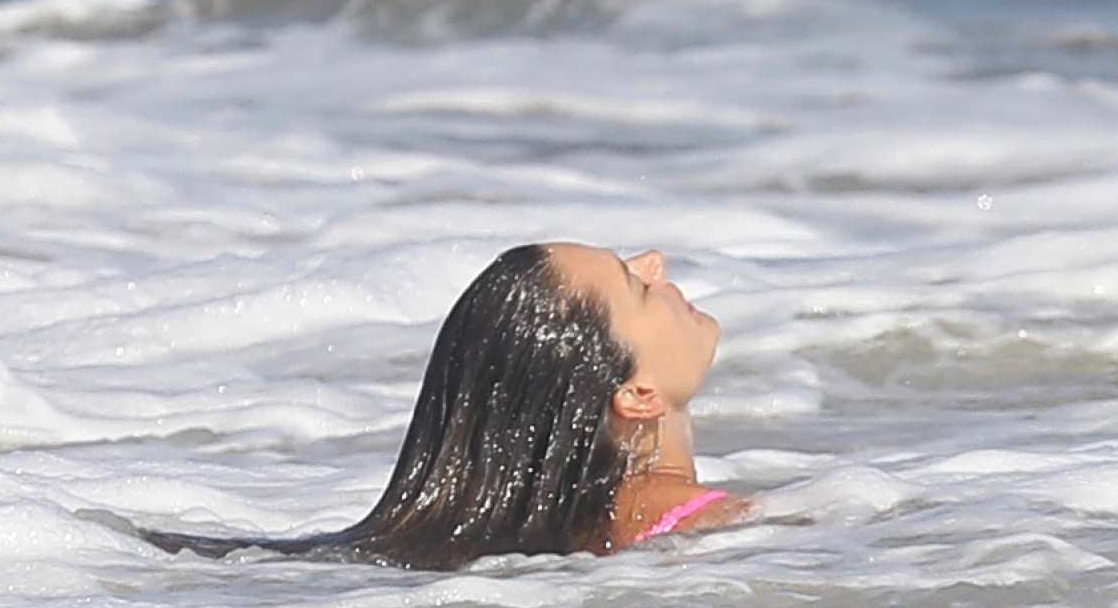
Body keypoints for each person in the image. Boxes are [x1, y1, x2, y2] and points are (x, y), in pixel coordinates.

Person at [141, 242, 746, 570]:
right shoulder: (692, 519)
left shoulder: (559, 528)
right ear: (637, 396)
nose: (654, 263)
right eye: (637, 285)